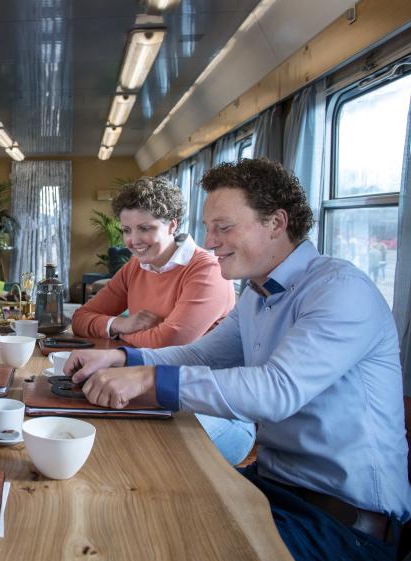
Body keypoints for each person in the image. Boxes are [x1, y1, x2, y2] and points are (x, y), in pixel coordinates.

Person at [65, 158, 409, 561]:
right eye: (209, 228)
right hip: (276, 487)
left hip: (341, 523)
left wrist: (148, 379)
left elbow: (276, 391)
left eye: (224, 227)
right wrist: (123, 358)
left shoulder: (339, 289)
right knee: (136, 517)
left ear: (276, 223)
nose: (210, 242)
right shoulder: (258, 295)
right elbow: (203, 354)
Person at [72, 176, 254, 465]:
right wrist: (120, 325)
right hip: (151, 389)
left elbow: (168, 342)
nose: (133, 241)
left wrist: (122, 339)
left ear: (172, 225)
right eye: (127, 230)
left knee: (136, 456)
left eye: (145, 228)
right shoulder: (135, 267)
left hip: (216, 410)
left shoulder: (207, 270)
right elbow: (81, 318)